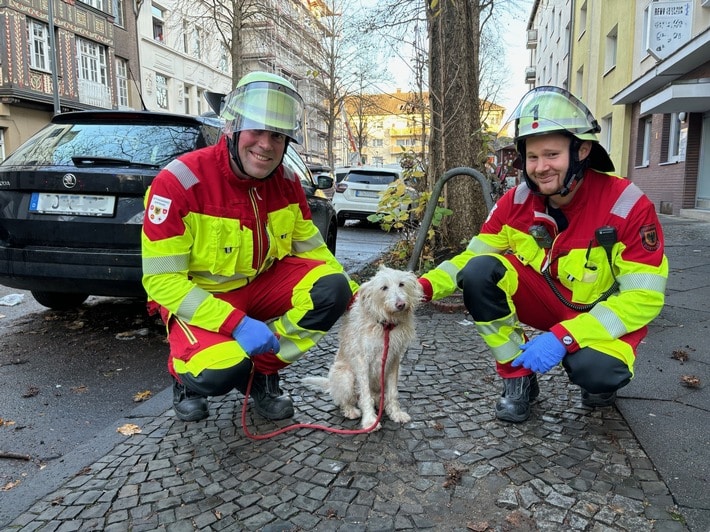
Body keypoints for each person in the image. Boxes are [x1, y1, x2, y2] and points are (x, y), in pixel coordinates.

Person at [417, 86, 668, 423]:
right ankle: (517, 379)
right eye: (532, 157)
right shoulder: (517, 202)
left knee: (596, 371)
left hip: (598, 311)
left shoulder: (627, 205)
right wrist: (418, 289)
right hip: (545, 301)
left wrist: (565, 337)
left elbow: (644, 298)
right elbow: (470, 258)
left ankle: (597, 381)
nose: (540, 167)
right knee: (479, 272)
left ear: (581, 152)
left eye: (552, 155)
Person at [141, 71, 356, 422]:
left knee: (334, 287)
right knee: (218, 373)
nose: (266, 145)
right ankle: (185, 380)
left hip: (258, 288)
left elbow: (314, 252)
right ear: (233, 129)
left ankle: (261, 374)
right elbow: (163, 282)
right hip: (202, 297)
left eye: (277, 135)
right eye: (256, 130)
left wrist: (357, 293)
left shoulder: (286, 182)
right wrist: (237, 324)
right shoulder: (179, 182)